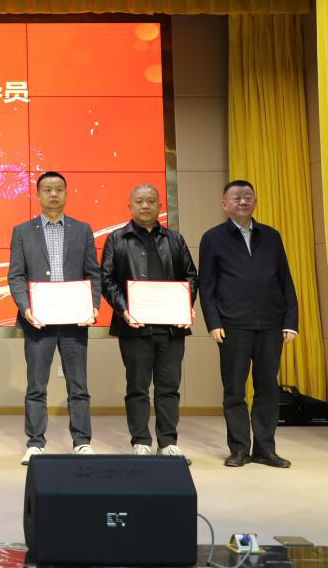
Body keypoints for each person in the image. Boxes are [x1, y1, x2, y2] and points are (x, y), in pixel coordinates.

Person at [199, 180, 299, 469]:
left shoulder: (271, 236)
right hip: (232, 325)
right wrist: (213, 322)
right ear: (224, 204)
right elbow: (207, 285)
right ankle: (240, 449)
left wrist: (290, 320)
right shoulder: (213, 238)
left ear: (255, 201)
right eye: (236, 198)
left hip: (271, 324)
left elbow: (285, 280)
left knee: (268, 389)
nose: (243, 202)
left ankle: (265, 450)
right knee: (234, 390)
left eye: (248, 197)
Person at [8, 171, 101, 464]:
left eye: (59, 189)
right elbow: (16, 276)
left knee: (78, 385)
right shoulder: (22, 231)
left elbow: (92, 273)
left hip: (75, 321)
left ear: (66, 193)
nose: (53, 194)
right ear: (37, 195)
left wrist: (92, 306)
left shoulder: (82, 230)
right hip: (39, 321)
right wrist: (26, 308)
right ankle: (35, 442)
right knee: (36, 385)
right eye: (47, 189)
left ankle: (82, 441)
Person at [100, 184, 197, 464]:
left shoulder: (175, 239)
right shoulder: (117, 239)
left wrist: (185, 306)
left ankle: (168, 442)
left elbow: (191, 277)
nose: (145, 206)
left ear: (160, 206)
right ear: (129, 206)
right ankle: (141, 441)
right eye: (140, 201)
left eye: (151, 201)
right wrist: (124, 310)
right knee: (137, 387)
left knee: (169, 387)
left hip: (172, 328)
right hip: (134, 327)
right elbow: (107, 280)